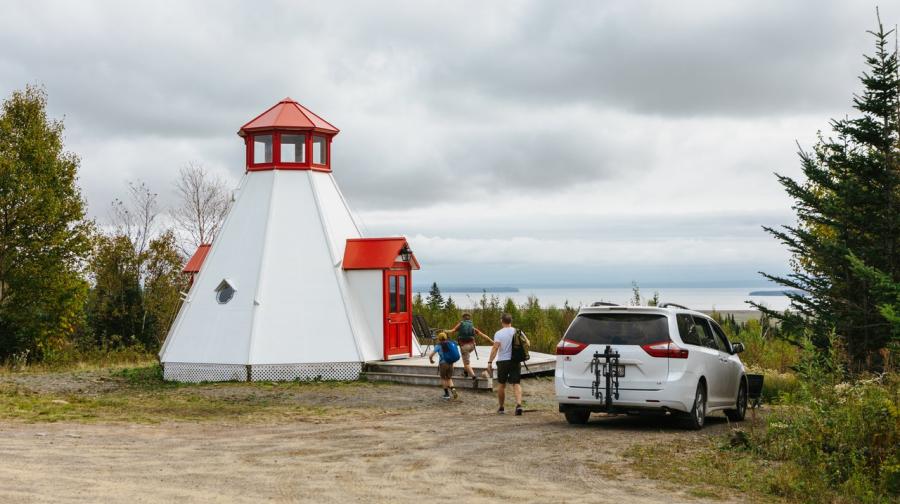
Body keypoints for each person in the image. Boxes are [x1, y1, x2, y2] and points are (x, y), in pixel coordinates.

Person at [486, 313, 523, 415]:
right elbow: (527, 343)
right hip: (515, 360)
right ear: (511, 321)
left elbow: (495, 348)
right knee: (516, 383)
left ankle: (502, 408)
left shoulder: (499, 333)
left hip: (503, 361)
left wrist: (490, 361)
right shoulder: (517, 331)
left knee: (501, 384)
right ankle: (519, 405)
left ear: (501, 321)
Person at [445, 313, 493, 380]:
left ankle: (474, 376)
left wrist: (445, 331)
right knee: (465, 359)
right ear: (469, 319)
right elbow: (483, 335)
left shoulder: (461, 324)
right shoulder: (472, 326)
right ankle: (465, 373)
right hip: (472, 346)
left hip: (464, 347)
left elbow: (452, 331)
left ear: (463, 318)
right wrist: (492, 342)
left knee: (467, 363)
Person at [428, 332, 460, 400]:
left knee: (443, 378)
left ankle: (447, 394)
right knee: (449, 378)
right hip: (451, 363)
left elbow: (431, 355)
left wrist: (431, 360)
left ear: (439, 339)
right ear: (446, 338)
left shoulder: (439, 345)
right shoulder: (450, 343)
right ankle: (453, 389)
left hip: (443, 364)